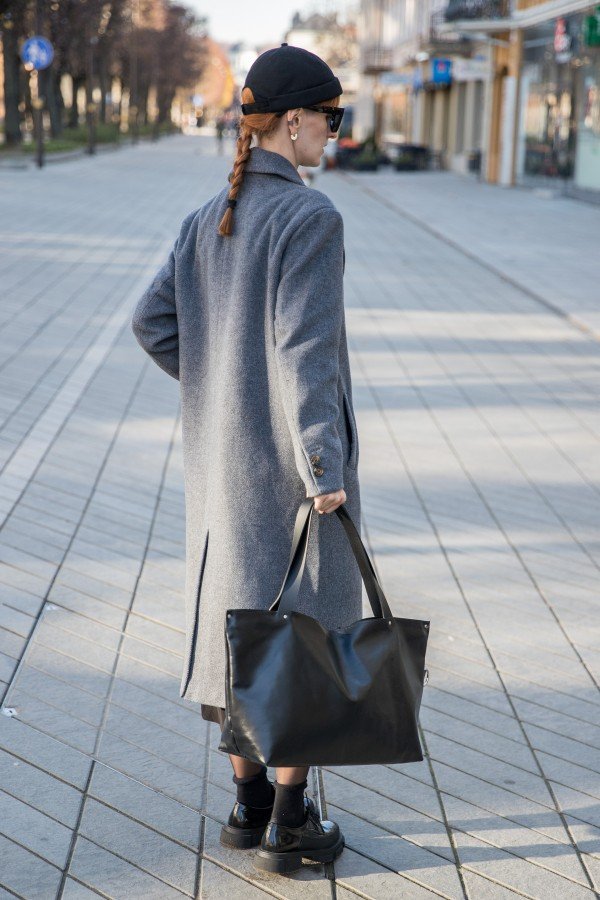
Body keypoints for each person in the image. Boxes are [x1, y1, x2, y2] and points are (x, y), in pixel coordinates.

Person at [130, 43, 362, 874]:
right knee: (303, 629)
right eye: (330, 118)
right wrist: (322, 470)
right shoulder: (310, 217)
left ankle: (246, 807)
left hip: (224, 473)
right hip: (295, 480)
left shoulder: (208, 217)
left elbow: (153, 325)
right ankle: (292, 825)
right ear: (292, 120)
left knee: (237, 623)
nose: (334, 134)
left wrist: (222, 392)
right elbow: (307, 353)